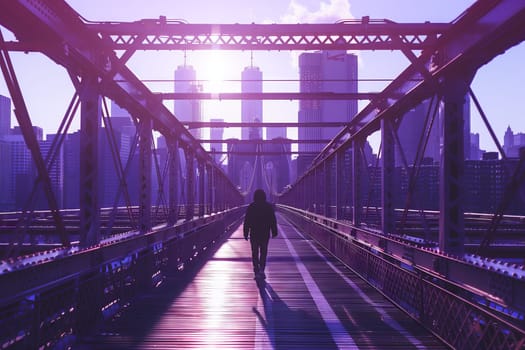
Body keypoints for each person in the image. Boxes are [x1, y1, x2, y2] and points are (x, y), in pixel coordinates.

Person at [243, 189, 278, 279]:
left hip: (254, 233)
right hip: (264, 233)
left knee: (255, 252)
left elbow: (247, 221)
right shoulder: (268, 207)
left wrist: (246, 233)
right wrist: (274, 231)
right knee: (263, 252)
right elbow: (272, 220)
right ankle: (262, 269)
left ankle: (256, 270)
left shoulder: (251, 206)